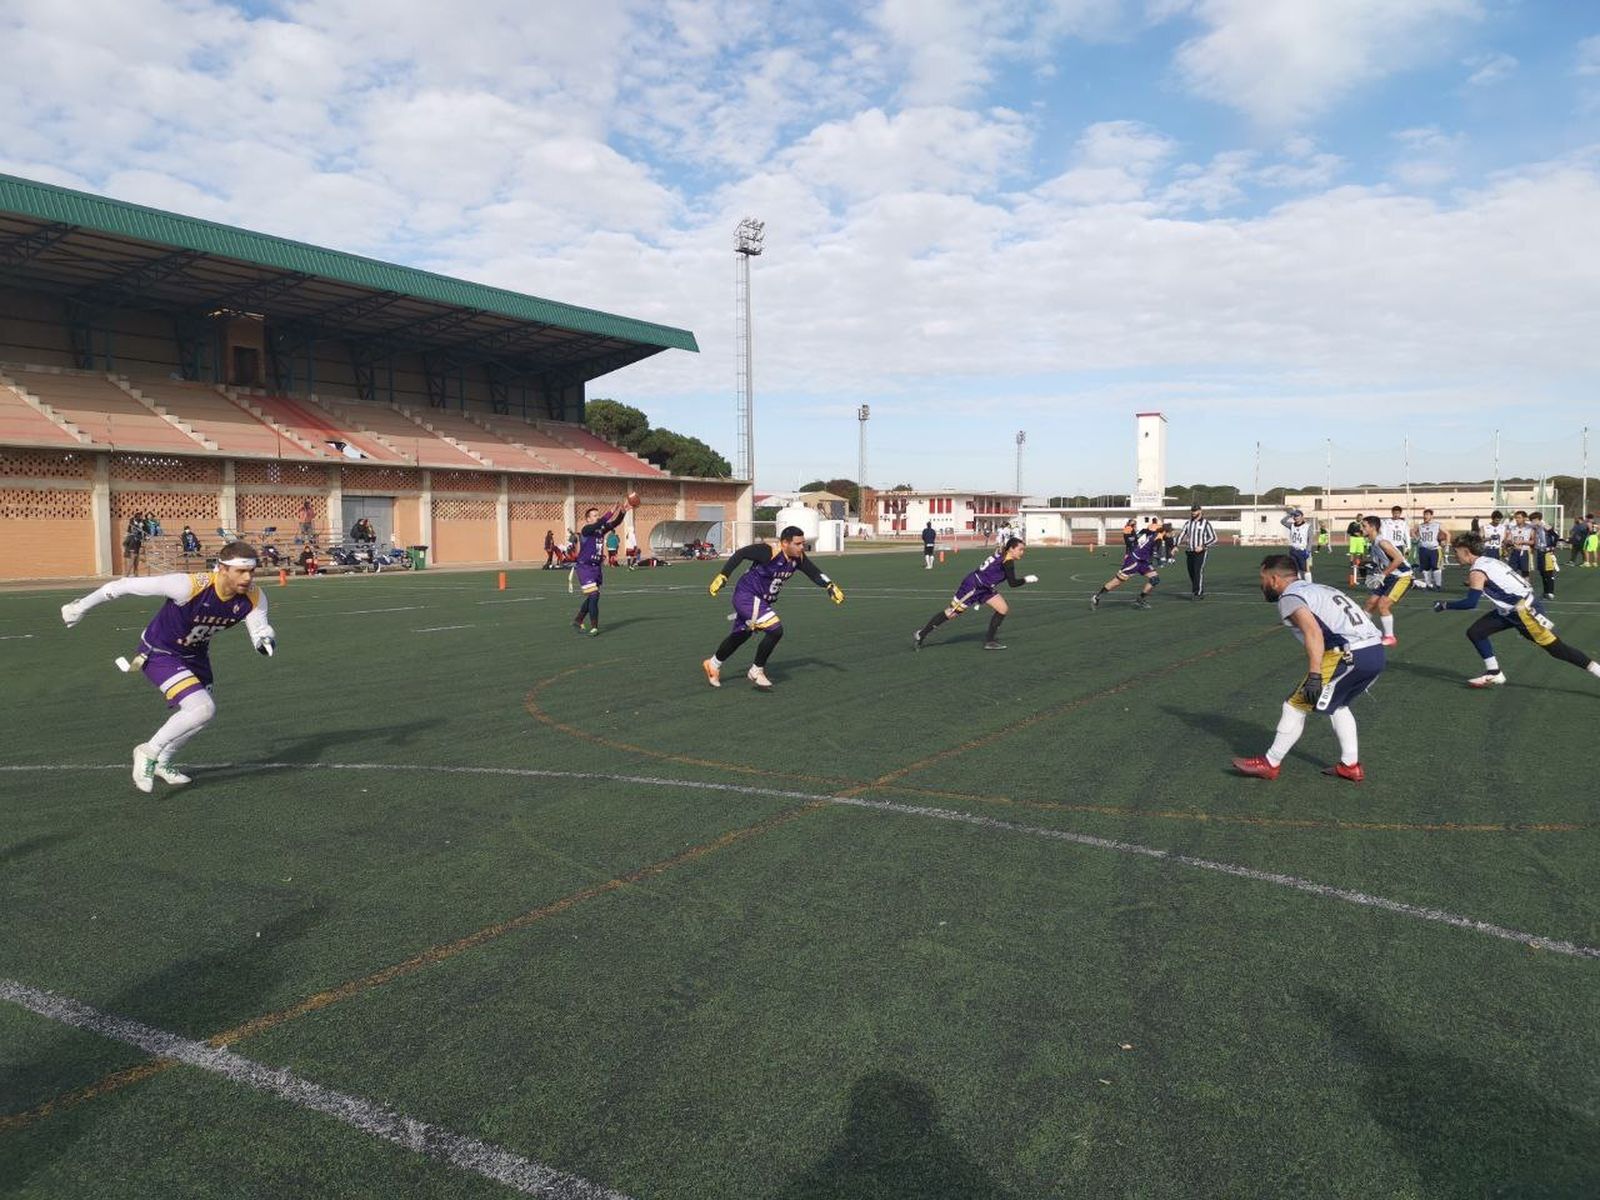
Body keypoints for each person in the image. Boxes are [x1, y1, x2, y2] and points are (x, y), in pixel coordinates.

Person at [58, 540, 276, 792]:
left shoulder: (254, 596)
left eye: (252, 571)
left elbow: (259, 628)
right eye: (241, 571)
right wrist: (80, 606)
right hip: (160, 652)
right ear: (222, 568)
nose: (248, 577)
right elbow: (124, 585)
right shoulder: (188, 586)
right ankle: (147, 751)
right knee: (202, 708)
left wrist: (264, 639)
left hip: (196, 656)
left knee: (199, 716)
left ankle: (162, 761)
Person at [1232, 554, 1384, 783]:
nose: (1261, 584)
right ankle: (1350, 765)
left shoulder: (1290, 597)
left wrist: (1315, 674)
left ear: (1274, 579)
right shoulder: (1318, 588)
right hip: (1374, 651)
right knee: (1338, 705)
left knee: (1294, 707)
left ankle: (1270, 763)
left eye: (1263, 578)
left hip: (1348, 654)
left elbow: (1313, 632)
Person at [1433, 532, 1600, 687]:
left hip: (1523, 612)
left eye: (1456, 551)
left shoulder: (1477, 570)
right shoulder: (1490, 561)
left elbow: (1470, 603)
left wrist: (1444, 605)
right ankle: (1494, 672)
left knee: (1557, 649)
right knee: (1476, 632)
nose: (1455, 555)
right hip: (1513, 609)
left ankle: (1597, 670)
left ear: (1466, 551)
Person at [702, 526, 844, 689]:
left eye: (803, 543)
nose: (802, 547)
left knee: (741, 636)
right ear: (784, 543)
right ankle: (756, 670)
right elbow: (740, 554)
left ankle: (713, 664)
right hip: (747, 596)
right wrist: (723, 575)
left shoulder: (798, 558)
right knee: (776, 629)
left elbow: (814, 572)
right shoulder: (768, 552)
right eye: (797, 544)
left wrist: (829, 585)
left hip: (760, 601)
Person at [914, 537, 1038, 651]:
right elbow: (1013, 583)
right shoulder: (1008, 561)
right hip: (972, 586)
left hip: (985, 587)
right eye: (1020, 549)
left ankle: (989, 641)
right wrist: (1026, 579)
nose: (1022, 552)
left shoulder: (1003, 553)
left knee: (1002, 609)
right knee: (951, 613)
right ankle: (921, 634)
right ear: (1011, 548)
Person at [572, 495, 637, 636]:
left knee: (592, 597)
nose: (597, 517)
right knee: (594, 595)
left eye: (597, 515)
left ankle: (578, 619)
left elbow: (616, 523)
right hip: (585, 567)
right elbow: (599, 523)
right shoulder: (586, 530)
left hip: (596, 568)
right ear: (588, 519)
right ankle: (594, 626)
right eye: (594, 515)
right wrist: (610, 512)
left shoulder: (600, 531)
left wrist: (623, 511)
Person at [1359, 514, 1412, 646]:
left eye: (1364, 526)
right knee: (1370, 603)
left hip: (1402, 577)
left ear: (1373, 527)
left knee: (1383, 605)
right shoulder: (1372, 542)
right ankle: (1362, 632)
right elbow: (1383, 560)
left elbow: (1398, 559)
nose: (1362, 528)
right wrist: (1368, 564)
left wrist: (1383, 574)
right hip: (1389, 576)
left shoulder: (1382, 542)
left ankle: (1390, 637)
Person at [1091, 521, 1161, 610]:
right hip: (1133, 559)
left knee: (1155, 579)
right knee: (1117, 582)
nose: (1136, 526)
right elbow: (1129, 542)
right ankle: (1097, 597)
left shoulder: (1147, 534)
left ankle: (1140, 599)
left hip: (1142, 561)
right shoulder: (1130, 530)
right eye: (1134, 524)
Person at [1177, 504, 1217, 598]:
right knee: (1191, 572)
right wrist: (1175, 545)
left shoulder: (1205, 523)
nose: (1193, 512)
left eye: (1195, 510)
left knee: (1197, 570)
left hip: (1201, 552)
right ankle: (1197, 589)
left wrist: (1203, 546)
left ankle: (1198, 593)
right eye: (1192, 510)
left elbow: (1214, 538)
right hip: (1190, 551)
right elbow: (1181, 534)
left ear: (1200, 511)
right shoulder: (1188, 523)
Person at [1529, 511, 1560, 599]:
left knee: (1548, 573)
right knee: (1542, 572)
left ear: (1538, 519)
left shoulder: (1545, 526)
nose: (1532, 522)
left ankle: (1550, 592)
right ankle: (1545, 592)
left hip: (1547, 552)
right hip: (1540, 551)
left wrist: (1552, 547)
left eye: (1533, 520)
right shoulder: (1536, 527)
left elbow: (1556, 536)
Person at [1412, 509, 1445, 590]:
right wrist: (1417, 538)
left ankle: (1438, 585)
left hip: (1434, 549)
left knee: (1436, 567)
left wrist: (1446, 543)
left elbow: (1447, 534)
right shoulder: (1420, 525)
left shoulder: (1437, 524)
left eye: (1427, 514)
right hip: (1423, 549)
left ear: (1431, 516)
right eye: (1424, 514)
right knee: (1425, 568)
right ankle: (1428, 585)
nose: (1425, 516)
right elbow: (1412, 532)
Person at [1280, 508, 1313, 580]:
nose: (1295, 517)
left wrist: (1308, 550)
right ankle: (1300, 584)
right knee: (1296, 569)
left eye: (1297, 516)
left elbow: (1310, 539)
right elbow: (1282, 521)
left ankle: (1309, 585)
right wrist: (1289, 515)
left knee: (1306, 569)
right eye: (1294, 516)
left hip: (1303, 550)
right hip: (1293, 550)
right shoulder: (1292, 525)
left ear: (1302, 516)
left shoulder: (1307, 526)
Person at [1504, 510, 1534, 578]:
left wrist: (1522, 542)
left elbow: (1533, 541)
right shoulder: (1513, 528)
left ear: (1524, 518)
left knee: (1525, 574)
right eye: (1516, 518)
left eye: (1519, 517)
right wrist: (1509, 542)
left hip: (1525, 552)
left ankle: (1526, 588)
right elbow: (1508, 539)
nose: (1517, 519)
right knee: (1511, 573)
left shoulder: (1529, 528)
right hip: (1514, 552)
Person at [1345, 519, 1366, 587]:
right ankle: (1352, 563)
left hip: (1361, 539)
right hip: (1354, 538)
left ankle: (1361, 563)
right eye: (1359, 517)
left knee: (1361, 552)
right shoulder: (1352, 524)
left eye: (1361, 517)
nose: (1360, 519)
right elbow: (1349, 531)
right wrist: (1354, 533)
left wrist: (1362, 533)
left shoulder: (1363, 524)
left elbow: (1366, 531)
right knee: (1352, 551)